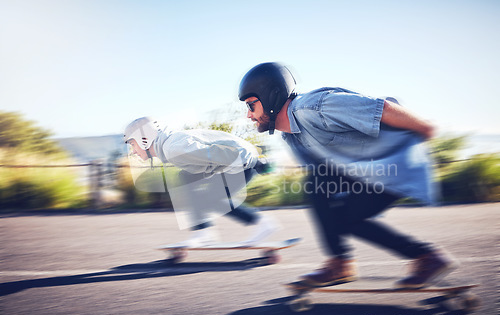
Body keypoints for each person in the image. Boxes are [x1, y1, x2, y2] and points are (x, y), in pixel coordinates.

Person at [238, 62, 457, 288]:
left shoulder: (314, 107)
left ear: (271, 96)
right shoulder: (291, 136)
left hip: (394, 164)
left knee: (345, 215)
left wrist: (425, 128)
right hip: (365, 171)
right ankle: (340, 264)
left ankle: (427, 258)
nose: (248, 115)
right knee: (318, 186)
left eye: (251, 105)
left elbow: (380, 108)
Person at [123, 117, 277, 247]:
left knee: (211, 199)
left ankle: (263, 223)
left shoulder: (174, 148)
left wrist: (256, 162)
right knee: (184, 178)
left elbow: (220, 153)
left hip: (242, 162)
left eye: (132, 144)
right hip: (232, 162)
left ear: (144, 139)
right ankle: (203, 233)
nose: (133, 151)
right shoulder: (169, 148)